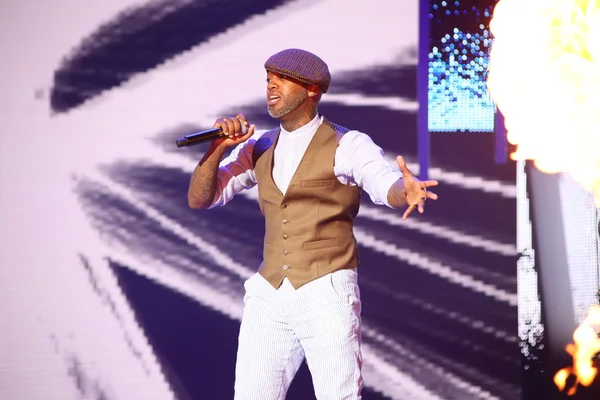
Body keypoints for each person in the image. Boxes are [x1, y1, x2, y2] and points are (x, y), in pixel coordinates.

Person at [187, 48, 439, 400]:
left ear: (311, 90)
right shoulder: (258, 146)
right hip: (269, 293)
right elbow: (201, 197)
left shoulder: (347, 143)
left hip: (326, 290)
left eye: (282, 78)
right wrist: (215, 149)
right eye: (268, 78)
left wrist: (404, 190)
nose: (271, 85)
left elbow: (383, 183)